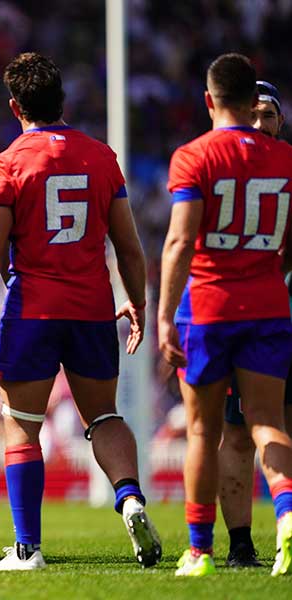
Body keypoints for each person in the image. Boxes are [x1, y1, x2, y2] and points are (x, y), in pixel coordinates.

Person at [0, 52, 160, 571]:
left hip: (34, 311)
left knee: (21, 424)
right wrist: (135, 301)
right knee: (104, 416)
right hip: (92, 307)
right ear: (61, 100)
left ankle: (27, 549)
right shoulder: (100, 156)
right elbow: (130, 247)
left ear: (14, 105)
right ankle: (130, 496)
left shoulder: (7, 164)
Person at [159, 53, 292, 577]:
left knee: (202, 431)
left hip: (209, 308)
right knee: (267, 423)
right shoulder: (284, 158)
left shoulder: (193, 156)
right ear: (251, 102)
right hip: (268, 304)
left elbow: (179, 241)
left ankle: (200, 550)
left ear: (210, 100)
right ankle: (286, 510)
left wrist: (165, 315)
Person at [217, 79, 292, 568]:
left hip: (276, 312)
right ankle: (241, 544)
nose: (261, 123)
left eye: (269, 115)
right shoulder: (222, 168)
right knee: (240, 432)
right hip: (248, 318)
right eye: (254, 113)